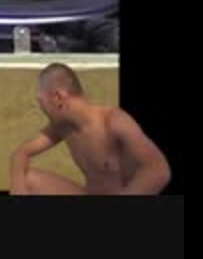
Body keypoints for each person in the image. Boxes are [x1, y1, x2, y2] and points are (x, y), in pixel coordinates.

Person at [10, 63, 170, 195]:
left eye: (41, 102)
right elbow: (20, 153)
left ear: (58, 97)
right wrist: (18, 190)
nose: (41, 109)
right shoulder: (63, 127)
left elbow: (159, 170)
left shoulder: (113, 122)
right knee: (28, 179)